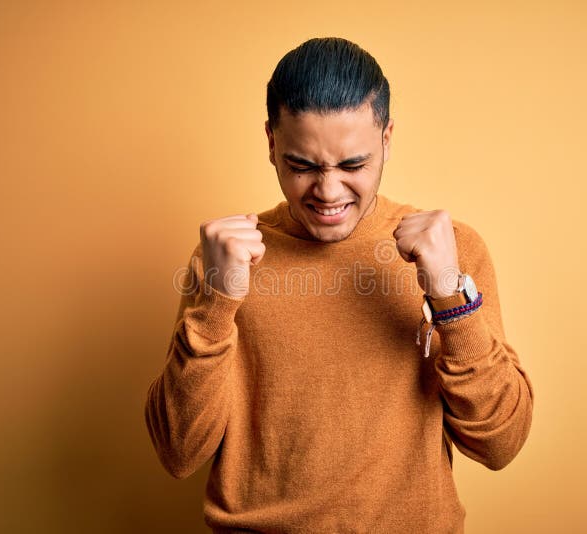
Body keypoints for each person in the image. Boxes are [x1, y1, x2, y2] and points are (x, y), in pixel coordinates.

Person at [144, 37, 534, 533]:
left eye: (353, 165)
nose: (328, 192)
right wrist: (218, 302)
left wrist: (449, 298)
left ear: (387, 139)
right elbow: (178, 451)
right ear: (270, 142)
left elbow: (501, 443)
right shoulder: (224, 257)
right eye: (302, 166)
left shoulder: (451, 250)